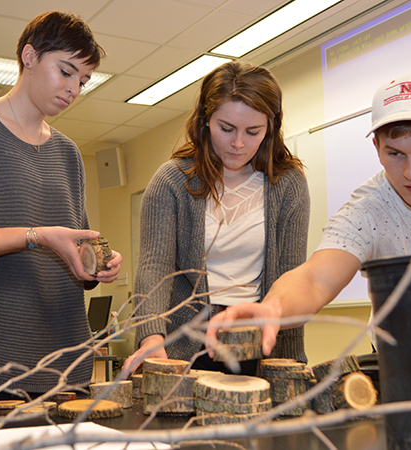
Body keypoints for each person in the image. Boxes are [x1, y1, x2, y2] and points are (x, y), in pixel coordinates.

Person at [207, 72, 411, 355]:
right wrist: (273, 307)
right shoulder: (367, 210)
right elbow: (315, 278)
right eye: (394, 154)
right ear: (377, 149)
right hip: (401, 357)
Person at [0, 11, 122, 406]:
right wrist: (37, 236)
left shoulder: (68, 152)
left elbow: (73, 252)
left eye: (83, 81)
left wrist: (95, 264)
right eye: (65, 71)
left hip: (58, 350)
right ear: (29, 56)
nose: (73, 89)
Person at [124, 61, 310, 375]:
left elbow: (292, 277)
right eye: (227, 128)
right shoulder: (172, 181)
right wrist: (151, 337)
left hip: (263, 342)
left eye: (253, 131)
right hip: (186, 345)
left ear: (270, 128)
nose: (239, 143)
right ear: (206, 121)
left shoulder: (288, 184)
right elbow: (154, 267)